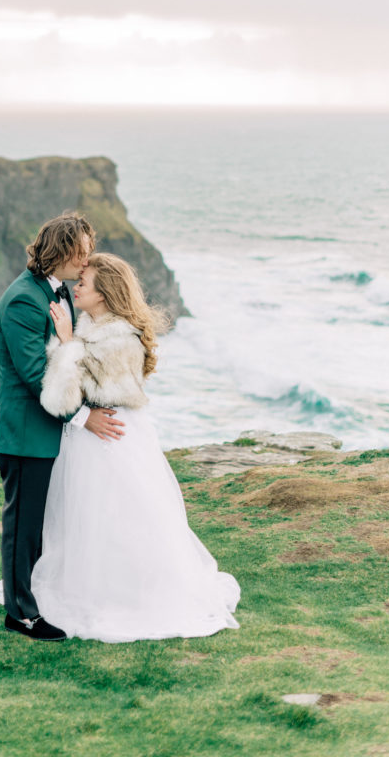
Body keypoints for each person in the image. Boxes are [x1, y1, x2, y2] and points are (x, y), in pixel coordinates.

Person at [29, 252, 240, 642]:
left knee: (117, 516)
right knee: (86, 517)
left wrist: (66, 343)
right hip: (94, 434)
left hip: (110, 438)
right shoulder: (92, 324)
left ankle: (123, 594)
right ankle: (84, 583)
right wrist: (72, 340)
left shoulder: (120, 338)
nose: (76, 285)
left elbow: (69, 395)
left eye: (85, 283)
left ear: (104, 295)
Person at [0, 215, 126, 642]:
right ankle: (21, 615)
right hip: (23, 433)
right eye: (81, 251)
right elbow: (35, 375)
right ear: (60, 251)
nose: (87, 259)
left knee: (41, 526)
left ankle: (32, 596)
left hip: (43, 430)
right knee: (23, 527)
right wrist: (86, 418)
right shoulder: (23, 302)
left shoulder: (59, 290)